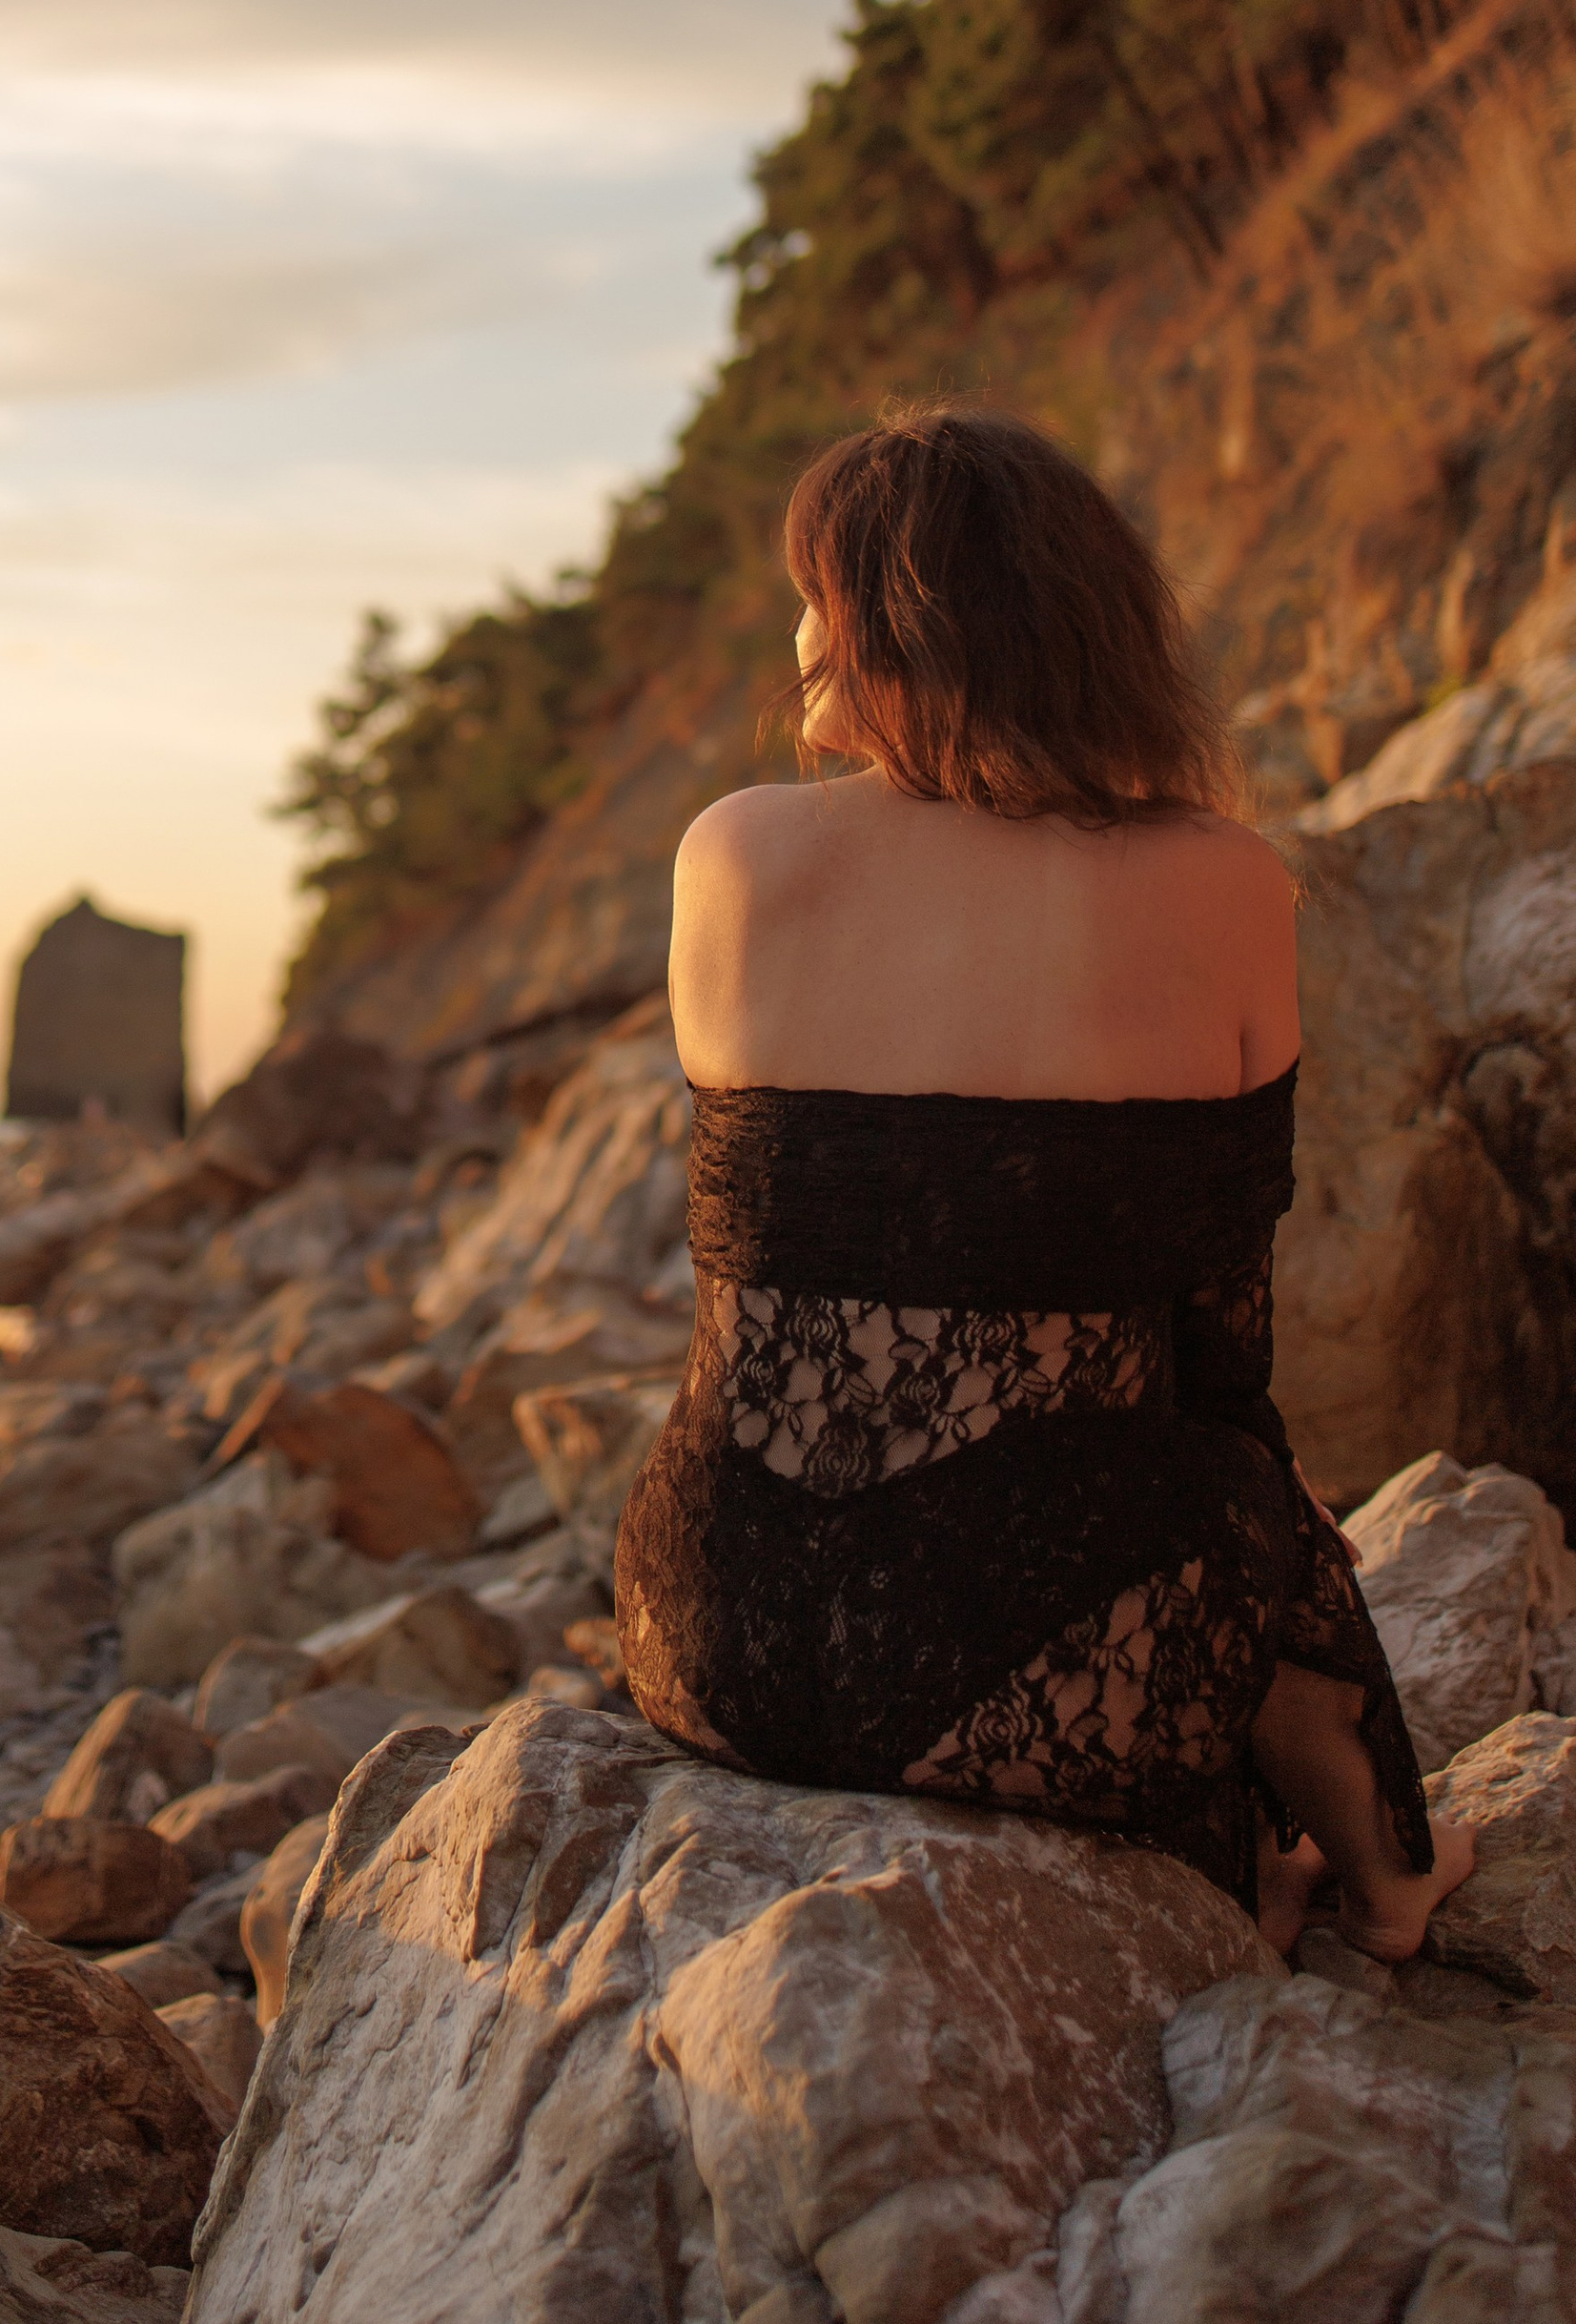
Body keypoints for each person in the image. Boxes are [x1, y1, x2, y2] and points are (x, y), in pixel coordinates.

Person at [614, 401, 1474, 1960]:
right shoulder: (1218, 881)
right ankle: (1384, 1879)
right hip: (1046, 1683)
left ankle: (1312, 1860)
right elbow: (1222, 1355)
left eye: (827, 592)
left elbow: (777, 1282)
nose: (800, 633)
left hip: (709, 1630)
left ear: (916, 621)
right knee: (1221, 1491)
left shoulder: (730, 857)